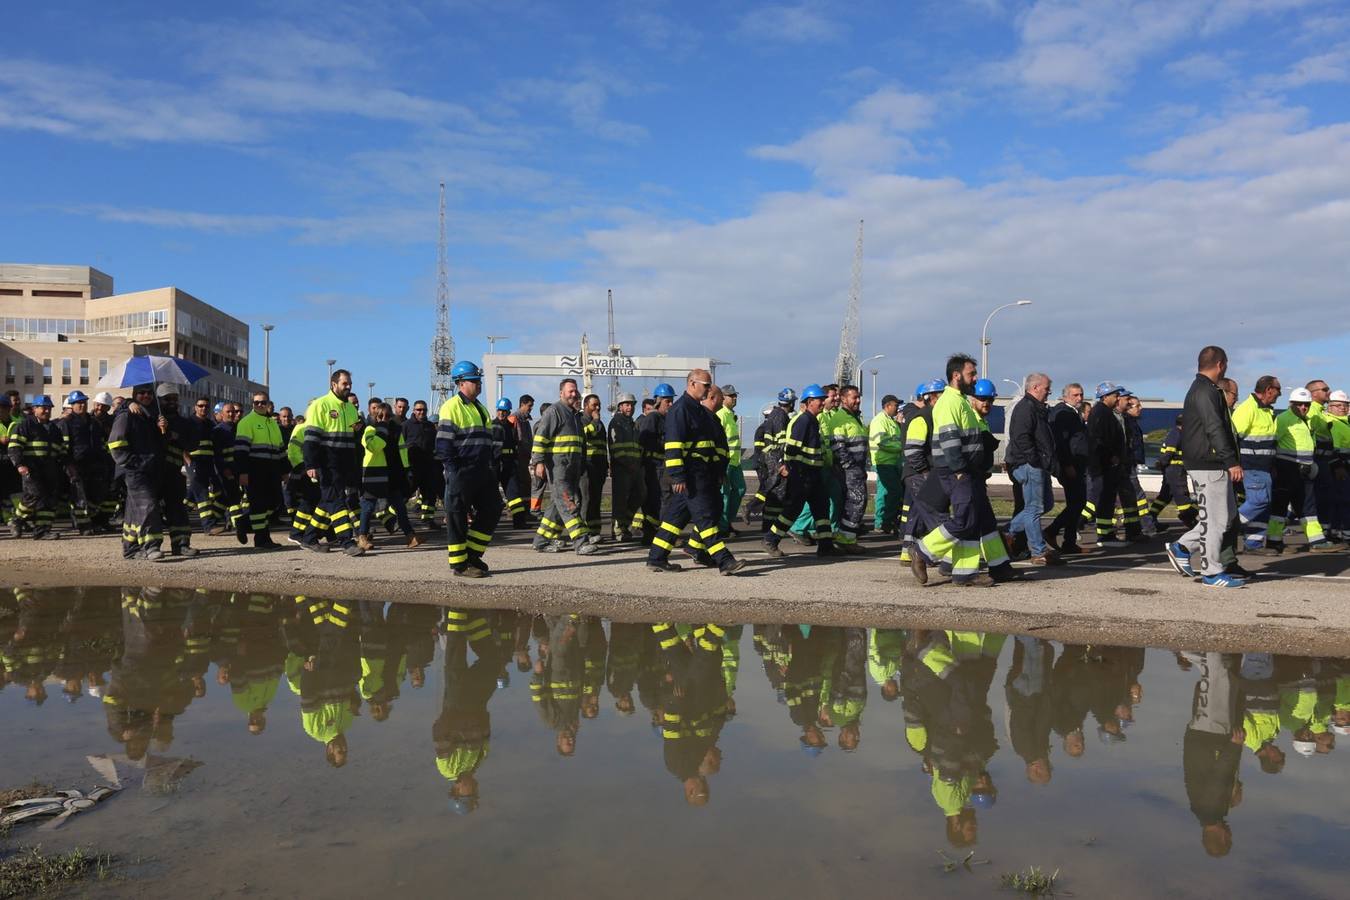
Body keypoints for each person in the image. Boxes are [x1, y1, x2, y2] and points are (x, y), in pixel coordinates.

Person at [909, 356, 1007, 587]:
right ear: (956, 376)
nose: (975, 378)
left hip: (968, 471)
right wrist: (960, 470)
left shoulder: (960, 400)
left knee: (980, 519)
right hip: (956, 471)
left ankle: (979, 571)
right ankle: (922, 552)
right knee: (964, 519)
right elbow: (950, 439)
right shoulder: (949, 403)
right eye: (971, 374)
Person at [646, 370, 745, 575]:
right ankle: (724, 560)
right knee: (705, 516)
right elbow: (673, 445)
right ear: (692, 384)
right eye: (706, 385)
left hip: (703, 472)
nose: (709, 389)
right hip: (691, 473)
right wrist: (677, 475)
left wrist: (717, 470)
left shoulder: (698, 411)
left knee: (675, 519)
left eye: (709, 386)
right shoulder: (680, 409)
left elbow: (708, 445)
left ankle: (656, 557)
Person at [1166, 346, 1246, 587]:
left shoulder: (1203, 389)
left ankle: (1182, 547)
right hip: (1209, 464)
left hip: (1211, 462)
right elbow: (1214, 427)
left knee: (1227, 516)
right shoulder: (1205, 391)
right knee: (1216, 520)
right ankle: (1211, 571)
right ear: (1221, 364)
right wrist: (1230, 460)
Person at [435, 362, 500, 575]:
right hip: (461, 470)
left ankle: (472, 554)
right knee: (457, 517)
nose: (478, 384)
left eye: (478, 380)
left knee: (493, 509)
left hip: (482, 470)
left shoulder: (480, 408)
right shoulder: (451, 406)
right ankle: (459, 564)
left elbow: (488, 442)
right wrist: (453, 471)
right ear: (461, 383)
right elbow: (443, 444)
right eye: (474, 380)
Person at [763, 384, 834, 559]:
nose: (823, 403)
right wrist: (789, 467)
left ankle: (826, 546)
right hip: (802, 475)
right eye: (820, 400)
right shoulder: (804, 420)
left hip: (813, 474)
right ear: (810, 402)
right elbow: (792, 448)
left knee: (821, 509)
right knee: (792, 509)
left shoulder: (812, 420)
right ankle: (770, 540)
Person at [1263, 387, 1336, 554]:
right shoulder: (1283, 419)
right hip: (1286, 468)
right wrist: (1273, 467)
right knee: (1280, 507)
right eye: (1299, 404)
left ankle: (1316, 541)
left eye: (1306, 404)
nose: (1303, 407)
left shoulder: (1308, 420)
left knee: (1306, 507)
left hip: (1304, 470)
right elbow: (1273, 443)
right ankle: (1274, 542)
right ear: (1291, 404)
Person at [300, 369, 364, 555]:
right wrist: (310, 464)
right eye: (345, 383)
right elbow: (310, 439)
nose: (348, 386)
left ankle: (309, 538)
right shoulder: (321, 405)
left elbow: (354, 439)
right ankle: (347, 542)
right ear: (333, 384)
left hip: (345, 463)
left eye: (349, 383)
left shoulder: (351, 409)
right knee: (337, 500)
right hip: (326, 462)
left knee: (327, 501)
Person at [530, 379, 595, 555]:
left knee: (556, 507)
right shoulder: (554, 411)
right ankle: (581, 542)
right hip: (558, 468)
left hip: (572, 468)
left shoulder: (575, 416)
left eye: (575, 391)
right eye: (570, 391)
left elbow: (580, 444)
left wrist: (581, 465)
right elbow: (540, 438)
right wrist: (539, 462)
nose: (574, 394)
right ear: (561, 393)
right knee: (568, 504)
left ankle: (541, 541)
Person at [1005, 373, 1060, 565]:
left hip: (1037, 464)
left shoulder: (1037, 409)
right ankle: (1038, 551)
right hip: (1029, 465)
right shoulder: (1025, 408)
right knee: (1034, 508)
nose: (1049, 392)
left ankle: (1007, 532)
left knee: (1045, 505)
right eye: (1046, 389)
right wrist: (1035, 460)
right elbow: (1021, 438)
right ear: (1035, 387)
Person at [107, 384, 165, 560]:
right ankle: (152, 546)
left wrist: (162, 428)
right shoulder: (126, 415)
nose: (146, 396)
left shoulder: (151, 416)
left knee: (134, 510)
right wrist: (132, 463)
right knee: (149, 505)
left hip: (150, 469)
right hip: (135, 471)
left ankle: (130, 548)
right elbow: (115, 444)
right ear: (134, 395)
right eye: (141, 393)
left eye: (149, 393)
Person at [357, 402, 417, 550]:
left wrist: (406, 470)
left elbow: (402, 451)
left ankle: (411, 537)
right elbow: (375, 446)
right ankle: (362, 537)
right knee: (368, 507)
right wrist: (382, 428)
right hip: (374, 472)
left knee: (400, 507)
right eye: (380, 415)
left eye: (388, 416)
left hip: (392, 474)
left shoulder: (397, 429)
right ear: (374, 416)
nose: (384, 418)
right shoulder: (369, 429)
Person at [1232, 376, 1281, 553]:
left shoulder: (1267, 411)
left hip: (1264, 468)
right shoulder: (1248, 408)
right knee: (1259, 501)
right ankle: (1228, 528)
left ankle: (1254, 543)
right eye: (1278, 390)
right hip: (1251, 466)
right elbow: (1233, 437)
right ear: (1269, 390)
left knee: (1264, 505)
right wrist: (1234, 464)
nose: (1279, 394)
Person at [233, 391, 285, 549]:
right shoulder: (247, 422)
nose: (260, 405)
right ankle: (262, 539)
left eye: (263, 402)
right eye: (256, 402)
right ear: (252, 404)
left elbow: (281, 449)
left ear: (268, 404)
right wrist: (242, 472)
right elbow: (241, 451)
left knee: (275, 503)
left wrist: (285, 470)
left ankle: (244, 523)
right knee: (259, 506)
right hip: (255, 470)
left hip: (272, 469)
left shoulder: (273, 423)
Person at [1086, 383, 1135, 548]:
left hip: (1108, 464)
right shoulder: (1100, 412)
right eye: (1114, 395)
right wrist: (1111, 457)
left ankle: (1106, 533)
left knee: (1107, 501)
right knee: (1100, 499)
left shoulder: (1106, 412)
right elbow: (1099, 439)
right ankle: (1086, 527)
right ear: (1105, 396)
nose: (1117, 397)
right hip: (1103, 465)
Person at [7, 394, 62, 539]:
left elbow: (60, 450)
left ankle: (42, 531)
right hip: (31, 468)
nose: (47, 411)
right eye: (43, 408)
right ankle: (16, 520)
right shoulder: (25, 425)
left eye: (49, 408)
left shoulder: (54, 429)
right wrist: (20, 464)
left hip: (49, 469)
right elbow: (14, 446)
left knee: (49, 499)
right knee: (34, 495)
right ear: (34, 409)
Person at [899, 381, 943, 563]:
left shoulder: (928, 415)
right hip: (918, 473)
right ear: (931, 397)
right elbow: (912, 451)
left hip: (918, 472)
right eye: (941, 394)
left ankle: (908, 552)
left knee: (917, 513)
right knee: (933, 513)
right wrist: (925, 472)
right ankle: (943, 552)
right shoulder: (922, 417)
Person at [154, 385, 198, 557]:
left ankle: (181, 544)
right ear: (159, 401)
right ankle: (151, 546)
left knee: (177, 510)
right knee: (151, 510)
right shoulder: (151, 419)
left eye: (174, 399)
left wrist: (175, 436)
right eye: (167, 399)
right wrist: (157, 429)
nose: (172, 402)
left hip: (173, 473)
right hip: (153, 473)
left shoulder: (184, 422)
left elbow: (193, 444)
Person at [1044, 383, 1088, 555]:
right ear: (1065, 396)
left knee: (1077, 503)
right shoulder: (1063, 413)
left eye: (1081, 394)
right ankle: (1053, 530)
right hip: (1070, 466)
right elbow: (1061, 442)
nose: (1079, 398)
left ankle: (1069, 541)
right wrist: (1067, 464)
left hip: (1078, 464)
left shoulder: (1073, 413)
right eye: (1075, 395)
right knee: (1077, 502)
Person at [55, 391, 107, 535]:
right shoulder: (66, 422)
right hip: (75, 464)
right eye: (79, 403)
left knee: (95, 494)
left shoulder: (93, 422)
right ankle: (83, 526)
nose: (82, 405)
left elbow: (101, 441)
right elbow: (63, 446)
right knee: (78, 496)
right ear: (72, 405)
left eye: (84, 402)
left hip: (94, 463)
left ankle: (90, 520)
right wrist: (68, 464)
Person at [829, 384, 869, 553]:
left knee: (857, 502)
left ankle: (846, 537)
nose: (858, 400)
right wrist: (850, 467)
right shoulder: (840, 419)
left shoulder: (855, 417)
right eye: (854, 397)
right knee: (857, 501)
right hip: (849, 470)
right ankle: (845, 538)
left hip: (858, 468)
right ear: (844, 399)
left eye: (859, 397)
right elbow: (838, 447)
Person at [635, 385, 675, 545]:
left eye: (672, 401)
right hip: (654, 467)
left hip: (663, 466)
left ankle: (655, 534)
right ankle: (655, 534)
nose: (671, 404)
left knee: (662, 500)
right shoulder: (652, 418)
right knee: (658, 500)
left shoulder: (666, 419)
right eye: (667, 401)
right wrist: (666, 443)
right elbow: (645, 441)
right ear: (658, 401)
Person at [757, 389, 797, 538]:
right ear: (791, 402)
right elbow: (781, 443)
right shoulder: (781, 416)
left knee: (773, 495)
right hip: (776, 461)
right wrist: (781, 464)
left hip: (769, 460)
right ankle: (769, 529)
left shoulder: (774, 415)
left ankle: (767, 526)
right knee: (777, 496)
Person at [1147, 415, 1197, 532]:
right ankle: (1188, 518)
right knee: (1182, 494)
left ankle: (1150, 519)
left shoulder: (1177, 434)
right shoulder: (1176, 434)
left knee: (1165, 496)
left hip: (1173, 469)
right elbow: (1169, 452)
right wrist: (1162, 463)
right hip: (1175, 470)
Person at [607, 392, 643, 541]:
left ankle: (625, 525)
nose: (630, 407)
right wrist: (628, 464)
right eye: (627, 404)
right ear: (620, 406)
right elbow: (616, 448)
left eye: (632, 405)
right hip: (622, 468)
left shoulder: (633, 424)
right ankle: (617, 530)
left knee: (640, 495)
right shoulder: (616, 423)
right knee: (620, 500)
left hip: (634, 467)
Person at [403, 399, 443, 530]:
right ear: (414, 411)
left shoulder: (430, 426)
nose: (421, 412)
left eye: (424, 410)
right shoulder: (406, 425)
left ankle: (427, 520)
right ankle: (395, 518)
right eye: (419, 410)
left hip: (428, 466)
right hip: (413, 466)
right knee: (406, 493)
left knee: (430, 495)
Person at [868, 394, 904, 534]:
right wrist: (901, 447)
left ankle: (885, 522)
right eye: (895, 405)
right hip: (883, 462)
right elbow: (881, 442)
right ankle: (882, 522)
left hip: (892, 462)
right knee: (888, 492)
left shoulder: (891, 421)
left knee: (890, 492)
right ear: (888, 406)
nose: (897, 408)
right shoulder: (879, 420)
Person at [491, 398, 528, 528]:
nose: (501, 413)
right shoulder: (491, 426)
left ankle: (519, 522)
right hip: (495, 465)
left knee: (514, 494)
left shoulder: (511, 427)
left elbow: (515, 445)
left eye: (504, 411)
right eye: (500, 410)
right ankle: (487, 522)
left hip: (509, 464)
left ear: (508, 412)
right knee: (490, 493)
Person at [579, 394, 608, 538]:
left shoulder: (600, 423)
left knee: (596, 499)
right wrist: (595, 421)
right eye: (594, 405)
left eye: (599, 405)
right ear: (585, 406)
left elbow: (603, 445)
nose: (597, 408)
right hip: (587, 465)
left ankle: (595, 531)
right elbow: (583, 435)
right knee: (586, 499)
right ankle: (583, 534)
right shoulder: (581, 420)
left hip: (599, 465)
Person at [717, 385, 745, 536]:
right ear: (723, 397)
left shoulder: (731, 415)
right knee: (725, 495)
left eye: (735, 396)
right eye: (731, 396)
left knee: (740, 490)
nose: (734, 398)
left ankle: (727, 522)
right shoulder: (721, 415)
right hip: (726, 462)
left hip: (735, 462)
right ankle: (722, 526)